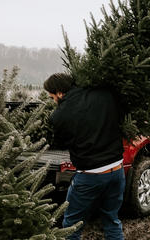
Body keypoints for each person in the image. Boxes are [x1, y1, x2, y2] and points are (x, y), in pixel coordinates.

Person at [43, 73, 125, 240]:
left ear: (59, 93)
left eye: (52, 97)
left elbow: (60, 143)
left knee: (71, 224)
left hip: (91, 175)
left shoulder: (59, 116)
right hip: (117, 169)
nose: (53, 102)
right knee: (112, 220)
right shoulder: (104, 94)